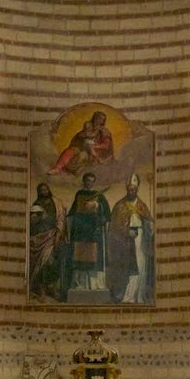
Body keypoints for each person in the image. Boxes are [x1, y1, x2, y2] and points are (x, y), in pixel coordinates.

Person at [107, 173, 153, 303]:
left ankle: (138, 295)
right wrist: (127, 232)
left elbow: (148, 220)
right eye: (129, 189)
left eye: (133, 189)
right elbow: (114, 227)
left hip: (140, 238)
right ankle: (127, 296)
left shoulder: (142, 205)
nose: (131, 191)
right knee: (128, 267)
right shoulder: (119, 206)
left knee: (140, 265)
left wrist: (150, 225)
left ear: (137, 190)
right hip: (125, 242)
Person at [66, 172, 111, 291]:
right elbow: (73, 211)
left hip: (94, 232)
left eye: (91, 181)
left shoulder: (98, 195)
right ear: (83, 181)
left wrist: (96, 205)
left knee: (94, 256)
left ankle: (94, 285)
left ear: (94, 182)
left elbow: (107, 213)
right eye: (87, 180)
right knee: (80, 257)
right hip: (81, 231)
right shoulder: (79, 194)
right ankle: (80, 283)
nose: (89, 183)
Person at [29, 183, 66, 300]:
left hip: (53, 236)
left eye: (45, 189)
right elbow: (32, 222)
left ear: (48, 190)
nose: (44, 191)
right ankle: (41, 290)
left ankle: (52, 288)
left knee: (53, 262)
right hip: (39, 238)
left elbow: (60, 218)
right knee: (42, 264)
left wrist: (58, 234)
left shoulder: (56, 203)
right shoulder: (36, 205)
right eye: (41, 190)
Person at [47, 111, 114, 175]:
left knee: (82, 156)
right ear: (94, 118)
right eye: (97, 118)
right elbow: (80, 137)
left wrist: (94, 146)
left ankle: (69, 170)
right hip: (82, 147)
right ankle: (58, 168)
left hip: (95, 151)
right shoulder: (88, 126)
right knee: (69, 151)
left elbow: (106, 145)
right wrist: (83, 135)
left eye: (101, 119)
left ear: (103, 121)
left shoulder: (104, 131)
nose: (98, 120)